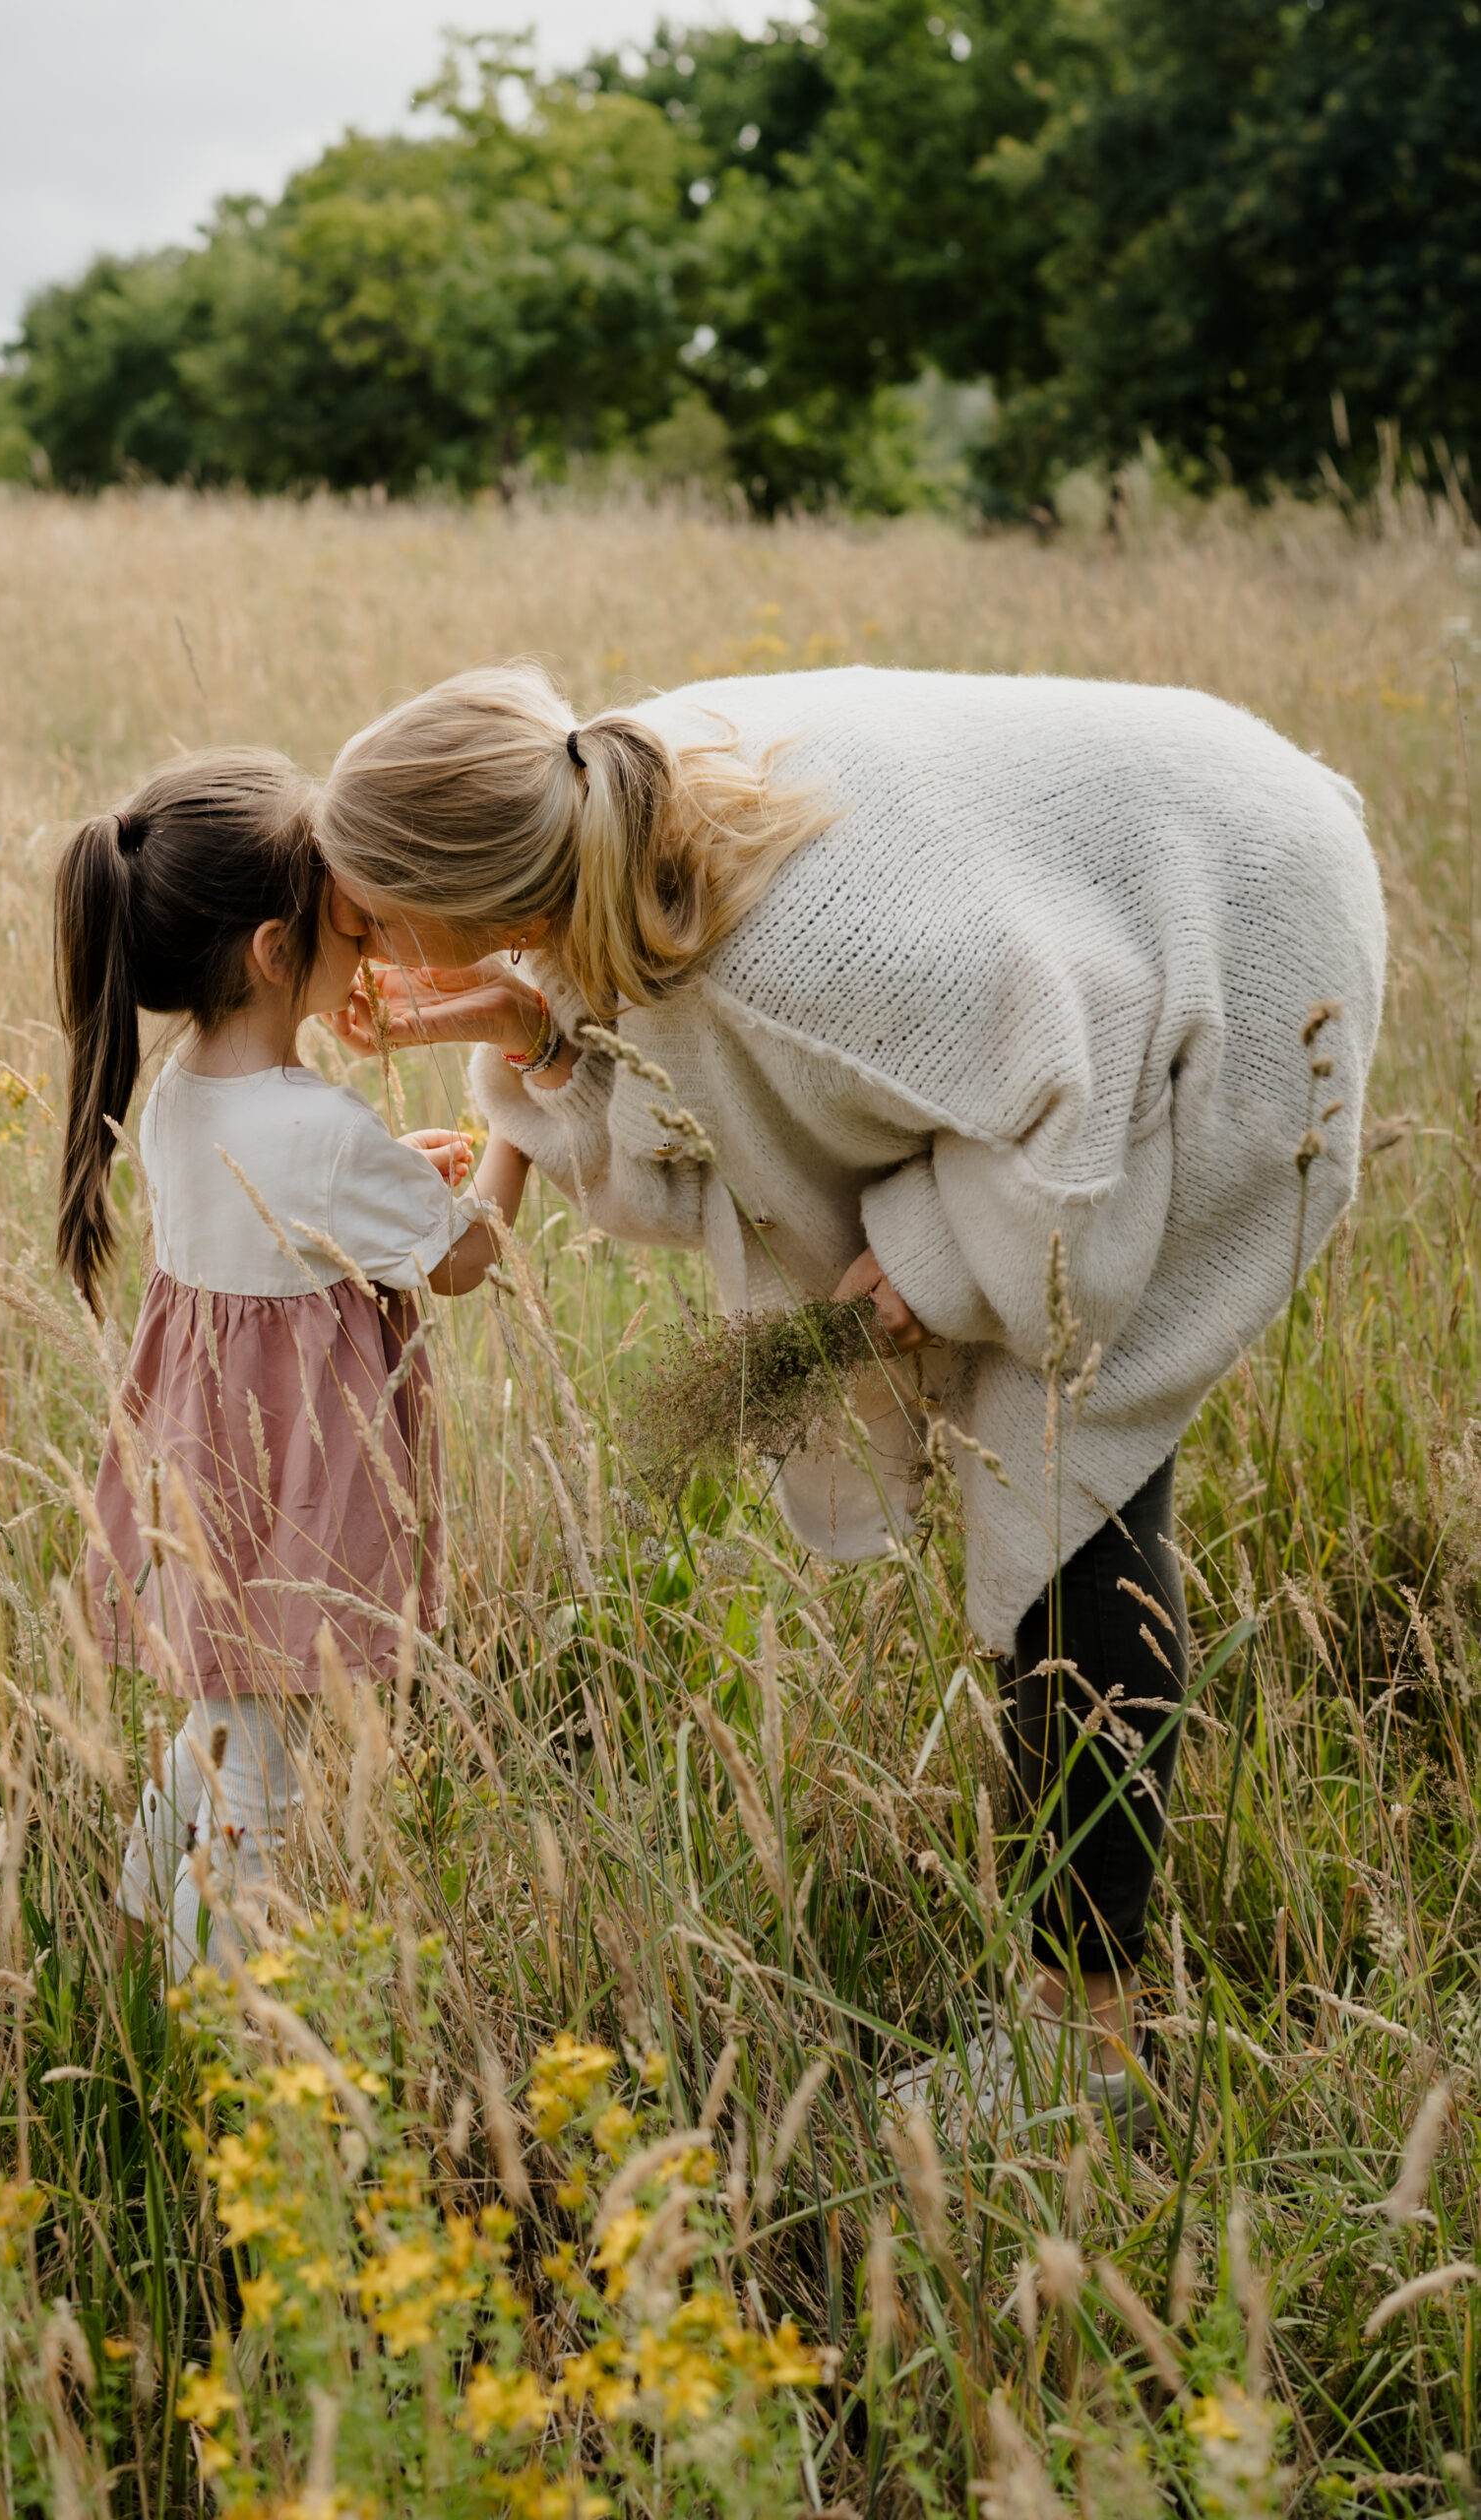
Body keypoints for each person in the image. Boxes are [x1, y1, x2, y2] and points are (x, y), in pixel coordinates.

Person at [314, 662, 1387, 2132]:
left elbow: (1064, 1105)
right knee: (1044, 1471)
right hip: (1122, 914)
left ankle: (1087, 2049)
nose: (361, 943)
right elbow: (710, 1119)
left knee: (1063, 1482)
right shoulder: (604, 822)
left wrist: (938, 1256)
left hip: (1241, 946)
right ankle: (1080, 2023)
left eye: (371, 913)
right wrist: (544, 1034)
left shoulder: (795, 953)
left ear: (470, 887)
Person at [53, 748, 530, 1975]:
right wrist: (517, 1125)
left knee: (220, 1723)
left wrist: (384, 1174)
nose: (367, 942)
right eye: (348, 920)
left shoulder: (177, 1096)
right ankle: (224, 2033)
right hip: (294, 1499)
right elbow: (465, 1258)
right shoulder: (321, 1131)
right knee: (259, 1785)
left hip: (201, 1479)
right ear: (276, 950)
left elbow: (276, 1225)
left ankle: (133, 1947)